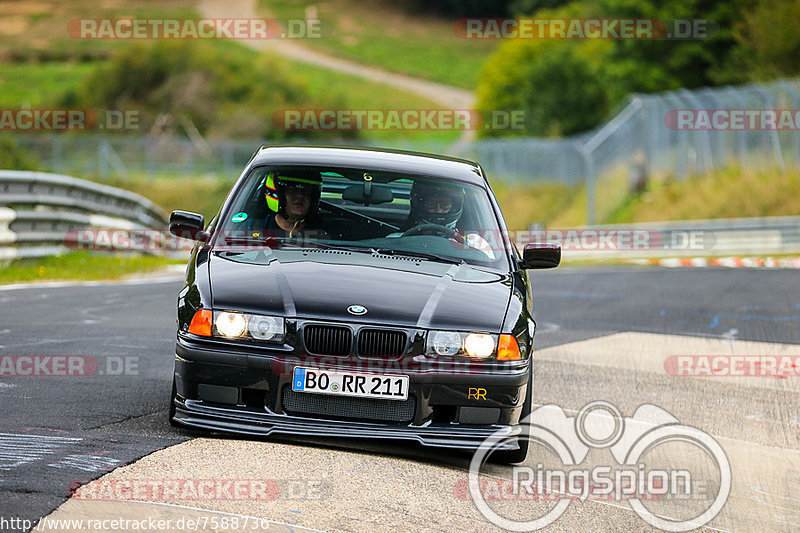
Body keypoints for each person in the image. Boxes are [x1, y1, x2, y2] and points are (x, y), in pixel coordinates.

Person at [257, 170, 326, 239]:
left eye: (306, 191)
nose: (300, 195)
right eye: (292, 189)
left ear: (313, 198)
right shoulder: (254, 227)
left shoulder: (323, 233)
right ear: (278, 195)